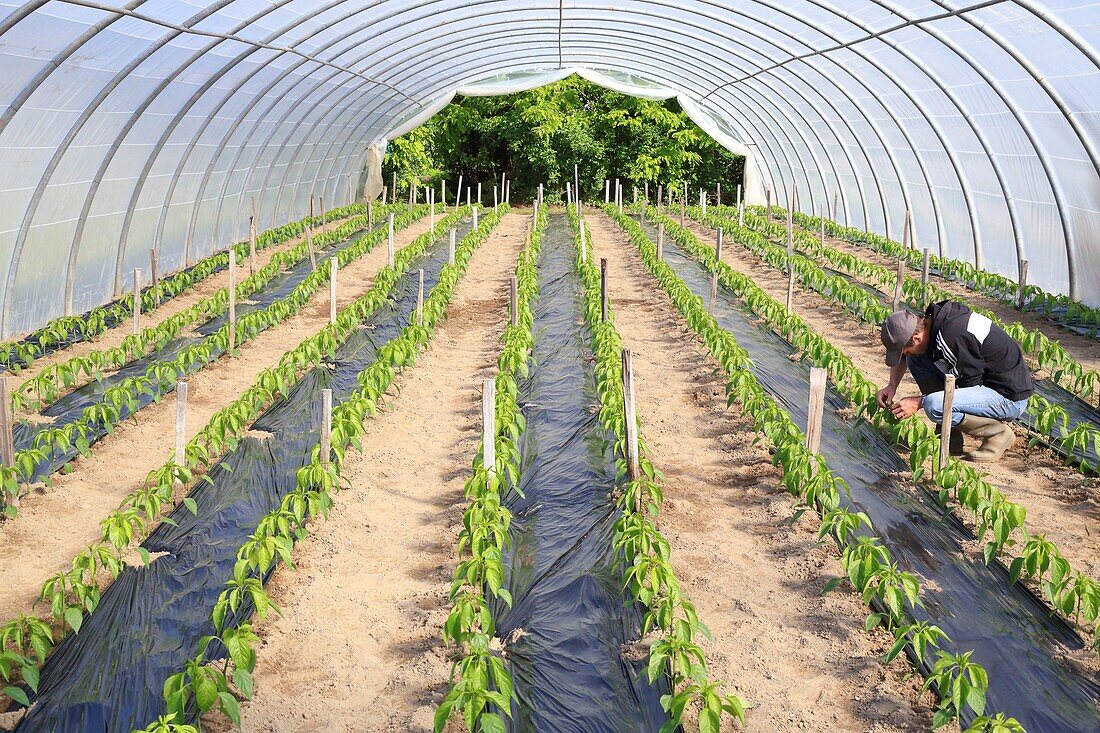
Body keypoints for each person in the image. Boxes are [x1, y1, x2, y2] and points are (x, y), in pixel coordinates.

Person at [876, 300, 1034, 463]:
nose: (905, 354)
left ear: (916, 338)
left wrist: (919, 401)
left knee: (934, 405)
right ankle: (950, 433)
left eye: (905, 350)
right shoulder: (932, 323)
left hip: (1008, 397)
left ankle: (998, 434)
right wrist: (892, 386)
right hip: (987, 382)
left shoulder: (952, 337)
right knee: (917, 359)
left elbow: (969, 385)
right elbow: (905, 355)